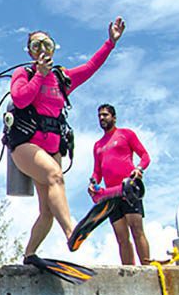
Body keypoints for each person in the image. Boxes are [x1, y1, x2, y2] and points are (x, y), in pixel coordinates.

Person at [8, 18, 125, 281]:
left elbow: (91, 66)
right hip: (26, 145)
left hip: (53, 147)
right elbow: (20, 97)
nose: (41, 48)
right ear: (29, 51)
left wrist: (111, 42)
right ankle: (73, 232)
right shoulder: (24, 74)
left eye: (46, 44)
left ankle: (29, 253)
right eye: (35, 44)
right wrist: (39, 74)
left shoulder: (63, 78)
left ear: (53, 49)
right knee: (54, 176)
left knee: (47, 211)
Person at [90, 103, 150, 264]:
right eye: (99, 116)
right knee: (121, 237)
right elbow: (97, 172)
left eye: (105, 115)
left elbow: (145, 156)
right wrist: (93, 182)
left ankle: (147, 268)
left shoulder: (126, 134)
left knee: (137, 230)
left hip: (129, 189)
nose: (101, 118)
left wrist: (139, 169)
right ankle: (129, 272)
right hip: (111, 195)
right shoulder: (97, 145)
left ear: (114, 118)